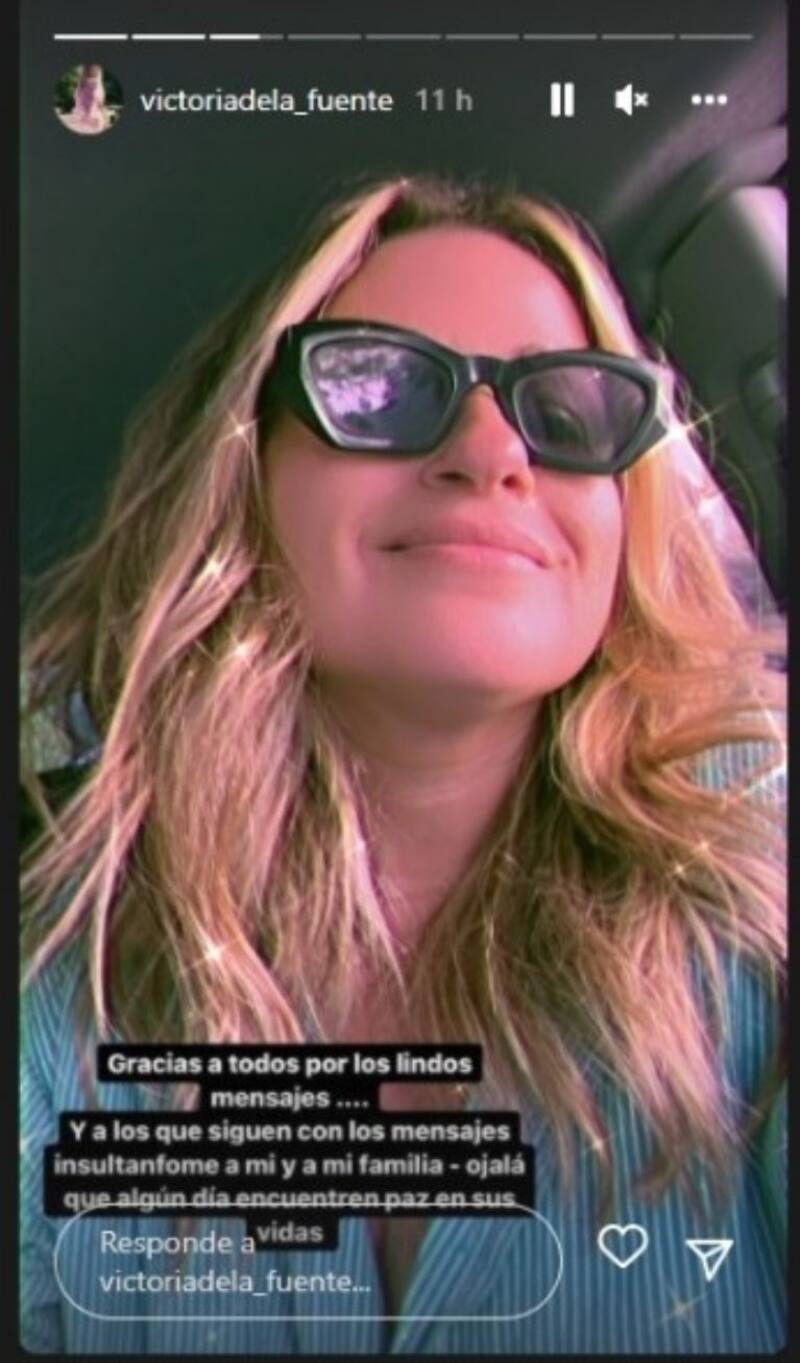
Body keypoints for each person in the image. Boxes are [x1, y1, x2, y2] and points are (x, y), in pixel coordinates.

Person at [20, 174, 786, 1354]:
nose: (490, 452)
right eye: (376, 386)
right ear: (244, 475)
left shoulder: (763, 883)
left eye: (566, 409)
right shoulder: (67, 1005)